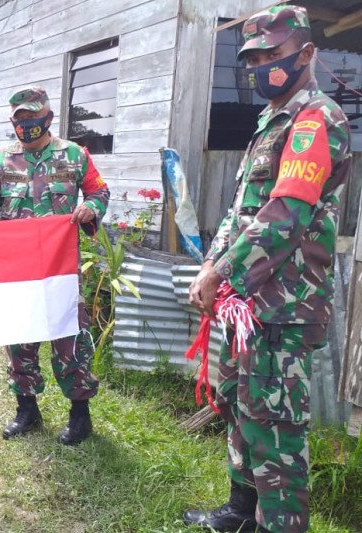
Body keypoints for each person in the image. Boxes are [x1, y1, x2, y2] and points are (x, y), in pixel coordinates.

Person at [185, 6, 352, 532]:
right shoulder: (271, 121)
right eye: (252, 59)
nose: (260, 68)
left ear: (307, 54)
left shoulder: (314, 121)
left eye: (272, 56)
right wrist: (213, 261)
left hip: (284, 309)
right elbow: (241, 212)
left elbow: (285, 215)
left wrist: (222, 275)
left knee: (275, 432)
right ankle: (241, 514)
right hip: (248, 310)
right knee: (239, 408)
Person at [0, 86, 110, 445]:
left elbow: (99, 191)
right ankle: (27, 409)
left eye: (32, 117)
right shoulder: (1, 160)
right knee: (19, 336)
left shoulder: (75, 155)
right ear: (13, 122)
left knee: (70, 337)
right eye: (19, 119)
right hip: (16, 269)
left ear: (47, 117)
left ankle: (80, 415)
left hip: (60, 266)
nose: (26, 124)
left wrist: (91, 209)